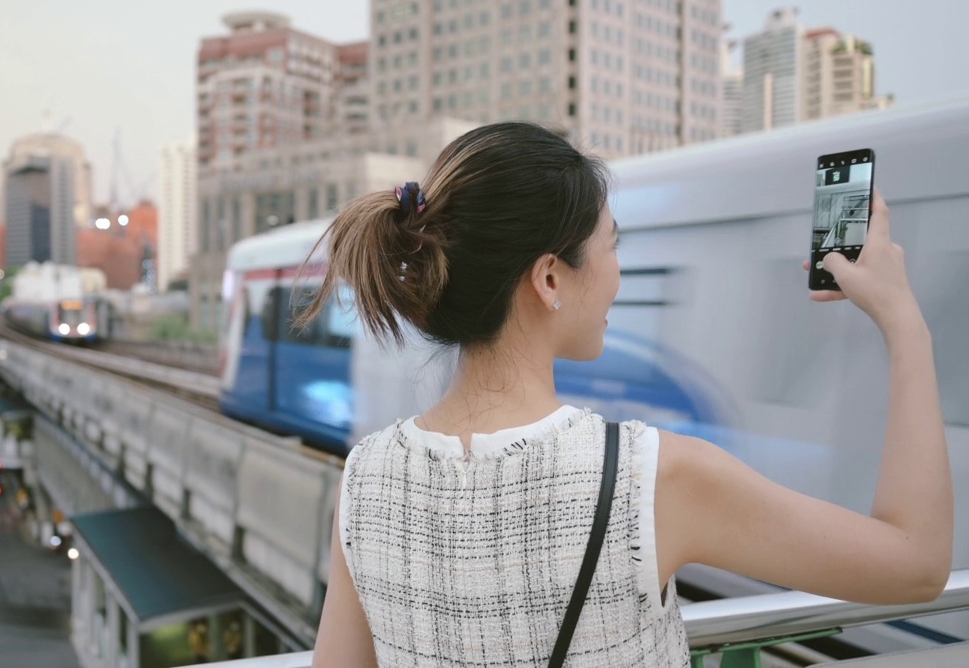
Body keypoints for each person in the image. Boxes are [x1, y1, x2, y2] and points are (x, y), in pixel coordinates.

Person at [307, 123, 952, 667]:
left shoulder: (365, 480)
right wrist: (904, 324)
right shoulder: (651, 478)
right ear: (551, 278)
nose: (617, 273)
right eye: (612, 246)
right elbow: (916, 564)